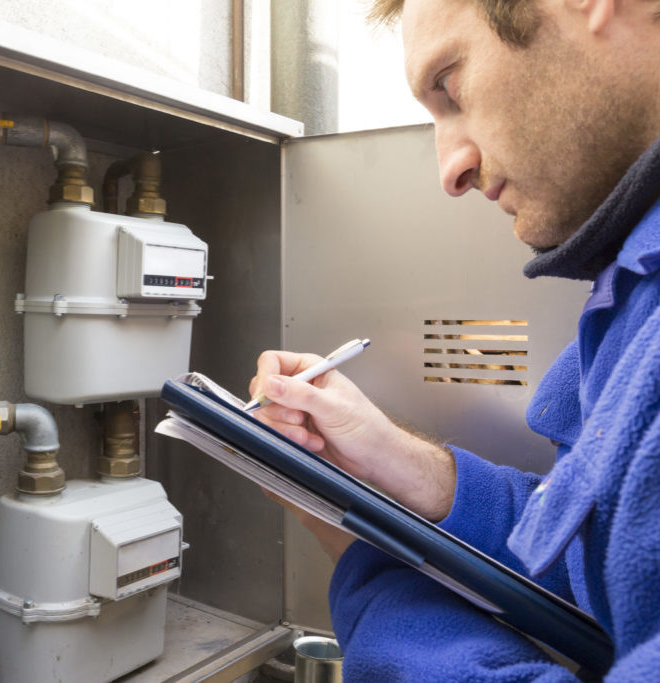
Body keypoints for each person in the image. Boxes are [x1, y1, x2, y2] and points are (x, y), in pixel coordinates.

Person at [249, 0, 660, 678]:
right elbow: (599, 553)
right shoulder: (637, 288)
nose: (451, 169)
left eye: (450, 83)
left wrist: (364, 564)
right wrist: (386, 460)